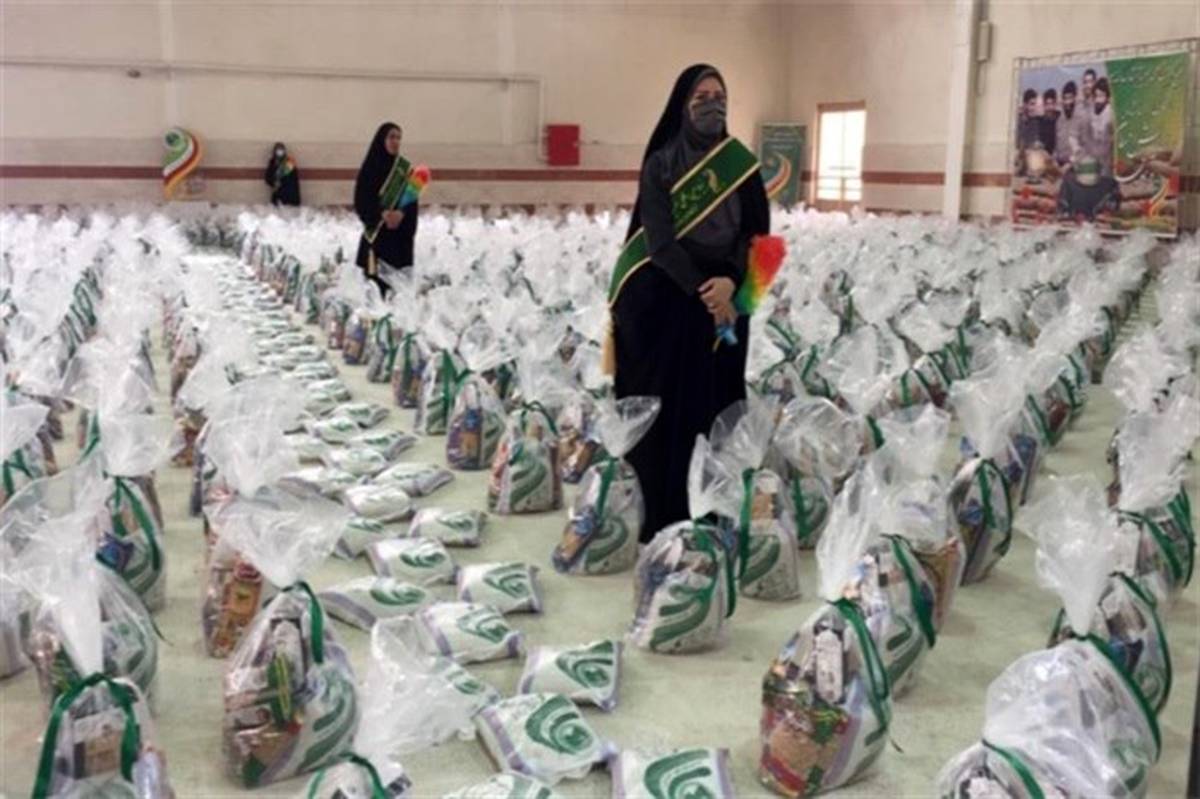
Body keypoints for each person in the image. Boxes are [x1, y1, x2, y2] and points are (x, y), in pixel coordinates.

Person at [608, 64, 769, 541]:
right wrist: (705, 290)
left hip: (727, 306)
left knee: (716, 406)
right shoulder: (660, 164)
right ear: (683, 104)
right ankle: (667, 512)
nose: (712, 104)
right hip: (671, 301)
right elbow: (659, 243)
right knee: (672, 411)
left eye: (719, 96)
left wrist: (731, 285)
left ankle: (714, 509)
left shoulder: (741, 164)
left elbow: (759, 237)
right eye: (701, 96)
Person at [354, 122, 419, 297]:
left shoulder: (404, 170)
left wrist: (401, 214)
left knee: (397, 294)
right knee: (374, 293)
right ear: (381, 139)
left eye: (398, 138)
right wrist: (381, 213)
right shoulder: (369, 168)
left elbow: (412, 201)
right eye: (391, 137)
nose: (395, 141)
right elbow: (361, 200)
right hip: (376, 238)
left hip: (398, 240)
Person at [1055, 81, 1089, 165]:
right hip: (1059, 165)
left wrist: (1073, 161)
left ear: (1075, 98)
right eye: (1065, 98)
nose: (1067, 102)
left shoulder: (1082, 119)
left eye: (1070, 98)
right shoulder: (1059, 121)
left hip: (1076, 166)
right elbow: (1056, 147)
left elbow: (1087, 148)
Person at [1087, 77, 1115, 176]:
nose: (1098, 100)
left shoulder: (1111, 114)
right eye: (1096, 96)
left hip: (1108, 161)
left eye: (1101, 96)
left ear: (1107, 97)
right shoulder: (1091, 112)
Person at [264, 142, 301, 206]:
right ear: (274, 151)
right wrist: (273, 182)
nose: (280, 152)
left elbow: (293, 180)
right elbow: (268, 177)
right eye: (278, 150)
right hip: (277, 196)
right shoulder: (272, 162)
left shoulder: (289, 162)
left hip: (290, 196)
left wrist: (281, 182)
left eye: (281, 150)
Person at [1038, 88, 1059, 157]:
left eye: (1052, 104)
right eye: (1047, 104)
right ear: (1044, 105)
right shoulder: (1040, 123)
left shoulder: (1060, 120)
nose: (1050, 107)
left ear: (1055, 104)